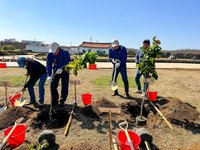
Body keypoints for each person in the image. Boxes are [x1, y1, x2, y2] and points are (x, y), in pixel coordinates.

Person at [46, 42, 71, 107]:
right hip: (56, 71)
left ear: (58, 48)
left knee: (64, 86)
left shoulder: (65, 53)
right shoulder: (50, 54)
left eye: (55, 51)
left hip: (65, 71)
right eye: (53, 52)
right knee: (53, 85)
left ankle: (62, 101)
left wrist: (62, 68)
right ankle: (54, 100)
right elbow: (49, 65)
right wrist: (48, 75)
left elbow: (67, 62)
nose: (54, 53)